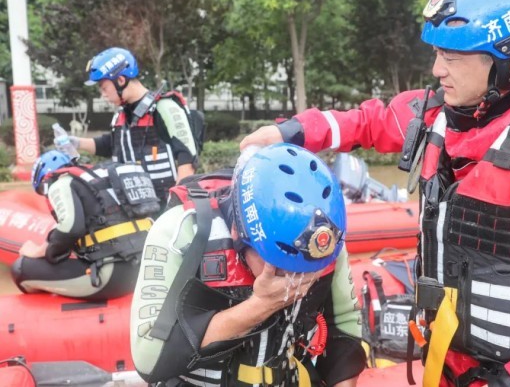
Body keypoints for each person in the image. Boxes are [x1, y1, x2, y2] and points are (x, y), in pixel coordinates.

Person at [240, 0, 510, 387]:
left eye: (453, 57)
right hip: (454, 365)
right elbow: (371, 122)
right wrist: (290, 132)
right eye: (437, 53)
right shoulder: (445, 115)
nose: (437, 69)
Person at [130, 143, 366, 386]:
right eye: (278, 262)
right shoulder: (179, 230)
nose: (291, 277)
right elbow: (148, 358)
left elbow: (344, 325)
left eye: (305, 268)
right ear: (236, 232)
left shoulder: (324, 242)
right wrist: (261, 305)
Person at [11, 150, 160, 300]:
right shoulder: (103, 180)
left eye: (42, 189)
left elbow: (70, 229)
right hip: (145, 269)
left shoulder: (62, 182)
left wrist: (43, 252)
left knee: (21, 267)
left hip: (113, 277)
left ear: (45, 179)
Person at [61, 47, 199, 206]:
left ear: (120, 80)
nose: (103, 94)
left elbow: (188, 159)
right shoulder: (122, 114)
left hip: (165, 205)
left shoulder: (165, 108)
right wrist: (76, 143)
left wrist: (174, 204)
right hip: (132, 208)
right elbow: (111, 145)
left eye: (104, 88)